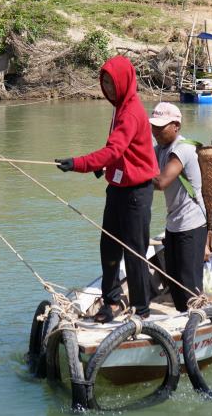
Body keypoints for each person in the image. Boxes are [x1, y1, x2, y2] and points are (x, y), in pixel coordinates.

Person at [55, 56, 159, 321]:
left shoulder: (131, 112)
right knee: (109, 248)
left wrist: (79, 163)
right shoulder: (120, 108)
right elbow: (120, 150)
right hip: (118, 187)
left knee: (134, 252)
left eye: (112, 83)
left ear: (124, 82)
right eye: (105, 83)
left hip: (136, 192)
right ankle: (112, 300)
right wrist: (105, 166)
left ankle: (141, 310)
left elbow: (114, 149)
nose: (109, 89)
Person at [149, 102, 207, 313]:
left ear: (176, 126)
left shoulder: (183, 149)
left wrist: (132, 177)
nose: (156, 131)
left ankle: (196, 318)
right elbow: (137, 162)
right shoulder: (159, 150)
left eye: (161, 126)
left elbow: (161, 182)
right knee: (174, 278)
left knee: (188, 282)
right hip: (173, 223)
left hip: (192, 223)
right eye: (154, 126)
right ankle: (184, 317)